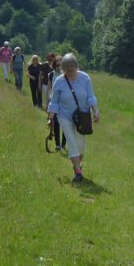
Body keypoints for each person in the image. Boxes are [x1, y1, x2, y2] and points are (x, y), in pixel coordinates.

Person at [46, 53, 99, 182]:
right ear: (63, 68)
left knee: (81, 144)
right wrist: (51, 117)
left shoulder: (85, 78)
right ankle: (78, 171)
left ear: (76, 65)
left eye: (72, 66)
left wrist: (96, 111)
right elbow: (54, 101)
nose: (70, 69)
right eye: (67, 67)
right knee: (71, 141)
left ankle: (77, 164)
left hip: (82, 116)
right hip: (65, 116)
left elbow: (90, 96)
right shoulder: (59, 81)